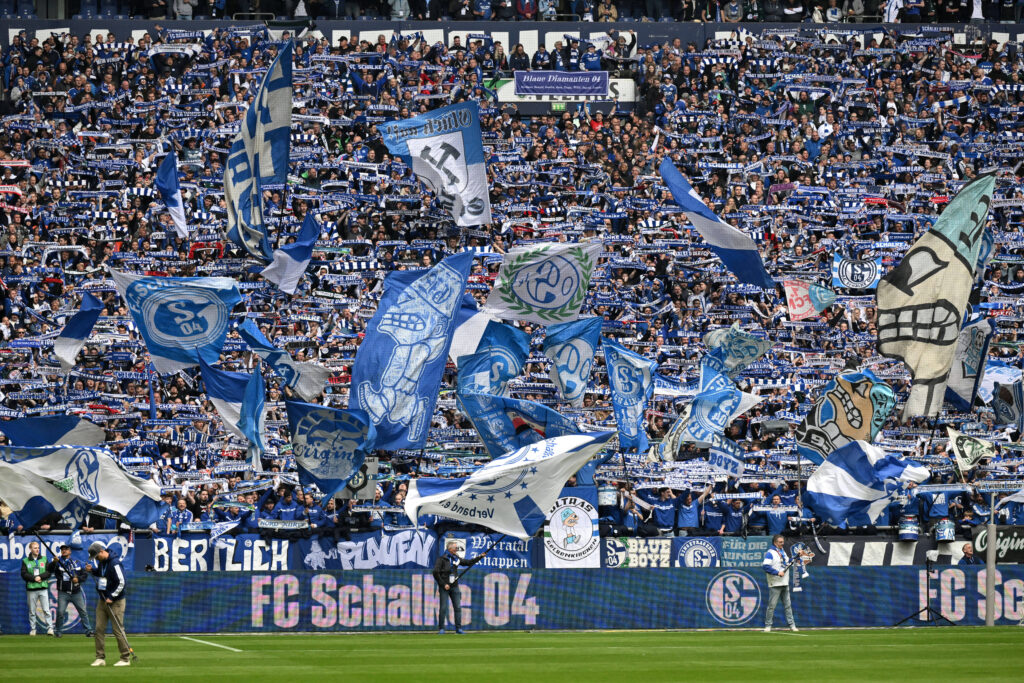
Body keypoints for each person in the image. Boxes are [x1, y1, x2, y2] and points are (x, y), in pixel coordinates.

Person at [86, 542, 131, 667]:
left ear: (101, 551)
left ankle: (125, 658)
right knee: (99, 629)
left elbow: (122, 582)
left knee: (118, 630)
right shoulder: (102, 563)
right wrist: (93, 570)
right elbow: (102, 574)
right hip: (103, 600)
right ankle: (100, 658)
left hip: (116, 601)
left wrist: (112, 596)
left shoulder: (115, 563)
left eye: (96, 556)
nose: (96, 559)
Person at [432, 540, 482, 634]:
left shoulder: (456, 558)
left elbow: (468, 562)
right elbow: (435, 572)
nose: (457, 549)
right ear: (450, 549)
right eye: (455, 548)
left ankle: (458, 629)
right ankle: (441, 628)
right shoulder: (441, 559)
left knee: (458, 607)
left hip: (454, 586)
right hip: (445, 587)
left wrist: (479, 557)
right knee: (443, 607)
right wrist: (443, 584)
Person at [48, 544, 95, 638]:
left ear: (70, 551)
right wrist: (54, 562)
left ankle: (89, 631)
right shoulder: (57, 562)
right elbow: (49, 570)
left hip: (76, 592)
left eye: (66, 549)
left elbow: (84, 574)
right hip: (63, 592)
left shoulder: (77, 562)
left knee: (83, 611)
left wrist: (78, 579)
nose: (64, 551)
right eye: (62, 550)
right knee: (60, 612)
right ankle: (58, 631)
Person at [762, 534, 798, 632]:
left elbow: (787, 563)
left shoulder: (783, 552)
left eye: (783, 542)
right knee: (772, 606)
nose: (783, 544)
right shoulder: (770, 553)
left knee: (788, 605)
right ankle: (768, 625)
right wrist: (777, 573)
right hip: (775, 583)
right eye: (780, 542)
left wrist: (796, 556)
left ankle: (792, 625)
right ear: (775, 542)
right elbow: (765, 566)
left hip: (784, 582)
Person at [21, 541, 54, 636]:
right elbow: (23, 574)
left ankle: (50, 629)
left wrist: (40, 577)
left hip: (43, 588)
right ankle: (33, 629)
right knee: (32, 611)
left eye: (38, 548)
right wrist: (34, 578)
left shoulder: (44, 559)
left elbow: (48, 572)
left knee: (46, 610)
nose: (37, 549)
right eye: (35, 548)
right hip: (31, 589)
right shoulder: (25, 561)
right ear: (30, 549)